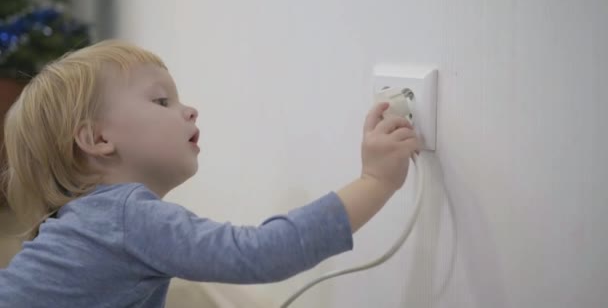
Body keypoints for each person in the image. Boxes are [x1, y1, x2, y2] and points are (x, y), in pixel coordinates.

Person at [0, 40, 419, 307]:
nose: (189, 109)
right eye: (162, 101)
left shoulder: (88, 220)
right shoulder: (126, 217)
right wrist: (375, 181)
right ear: (96, 139)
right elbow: (264, 253)